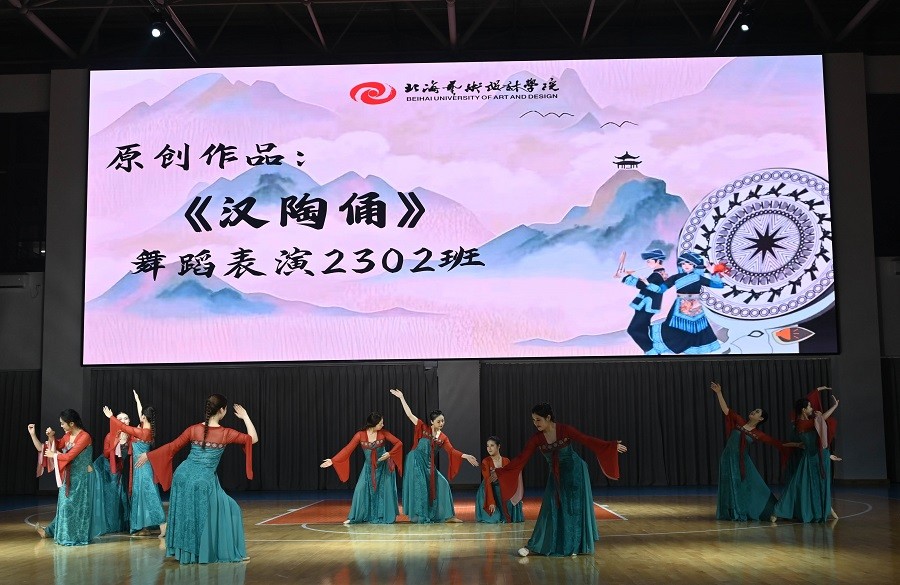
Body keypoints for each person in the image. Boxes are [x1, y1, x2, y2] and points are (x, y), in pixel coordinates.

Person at [495, 403, 627, 557]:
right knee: (548, 509)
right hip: (556, 476)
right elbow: (521, 458)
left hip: (575, 472)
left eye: (538, 420)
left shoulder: (565, 430)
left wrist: (610, 446)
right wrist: (501, 472)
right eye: (533, 420)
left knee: (573, 509)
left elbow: (587, 440)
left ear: (548, 418)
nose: (535, 423)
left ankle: (575, 546)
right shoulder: (537, 439)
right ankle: (533, 546)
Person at [145, 394, 258, 564]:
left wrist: (149, 456)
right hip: (203, 480)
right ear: (222, 410)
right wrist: (245, 417)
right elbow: (253, 439)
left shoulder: (193, 429)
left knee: (189, 515)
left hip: (182, 476)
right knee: (230, 510)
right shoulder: (226, 433)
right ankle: (213, 552)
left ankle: (189, 554)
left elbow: (172, 447)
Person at [710, 382, 798, 521]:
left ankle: (770, 510)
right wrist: (719, 393)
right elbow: (726, 410)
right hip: (727, 459)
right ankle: (730, 512)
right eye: (754, 410)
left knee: (750, 486)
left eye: (757, 412)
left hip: (742, 463)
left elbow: (778, 444)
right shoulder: (739, 421)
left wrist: (797, 444)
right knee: (728, 486)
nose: (753, 411)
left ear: (760, 419)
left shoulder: (758, 434)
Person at [389, 388, 478, 523]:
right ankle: (421, 516)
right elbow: (409, 414)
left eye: (443, 421)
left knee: (443, 484)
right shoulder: (422, 427)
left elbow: (451, 451)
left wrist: (465, 456)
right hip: (415, 461)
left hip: (428, 465)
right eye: (438, 421)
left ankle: (449, 515)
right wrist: (402, 398)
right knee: (421, 488)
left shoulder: (443, 437)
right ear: (432, 422)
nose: (441, 424)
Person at [27, 410, 100, 545]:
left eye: (62, 423)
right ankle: (53, 532)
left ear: (71, 423)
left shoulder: (85, 437)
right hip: (70, 476)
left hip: (83, 478)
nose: (61, 426)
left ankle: (75, 537)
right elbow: (56, 445)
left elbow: (69, 456)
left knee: (78, 508)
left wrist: (54, 455)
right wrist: (49, 437)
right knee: (64, 506)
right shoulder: (68, 435)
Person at [320, 412, 403, 524]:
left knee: (384, 492)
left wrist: (389, 453)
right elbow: (347, 449)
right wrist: (333, 460)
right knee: (360, 489)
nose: (383, 425)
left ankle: (385, 516)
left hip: (384, 467)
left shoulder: (384, 433)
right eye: (380, 423)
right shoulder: (360, 435)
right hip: (369, 468)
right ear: (373, 424)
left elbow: (399, 443)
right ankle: (355, 517)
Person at [772, 386, 840, 523]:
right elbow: (821, 419)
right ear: (803, 410)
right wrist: (834, 406)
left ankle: (825, 510)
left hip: (822, 457)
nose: (812, 408)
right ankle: (779, 511)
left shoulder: (809, 422)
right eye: (809, 406)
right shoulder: (801, 424)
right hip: (809, 459)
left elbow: (819, 439)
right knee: (797, 485)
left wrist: (829, 455)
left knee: (822, 486)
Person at [103, 389, 166, 535]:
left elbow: (124, 427)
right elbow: (139, 414)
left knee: (150, 495)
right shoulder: (146, 428)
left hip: (144, 468)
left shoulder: (143, 432)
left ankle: (163, 524)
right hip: (139, 468)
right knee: (140, 496)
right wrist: (138, 401)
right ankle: (143, 527)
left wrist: (111, 417)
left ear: (144, 417)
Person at [649, 251, 726, 354]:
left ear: (694, 265)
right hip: (680, 306)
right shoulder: (675, 277)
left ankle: (694, 349)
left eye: (689, 263)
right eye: (683, 263)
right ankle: (677, 346)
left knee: (698, 328)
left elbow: (719, 285)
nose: (686, 266)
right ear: (680, 265)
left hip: (696, 307)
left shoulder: (698, 277)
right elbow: (661, 289)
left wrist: (713, 272)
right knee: (675, 327)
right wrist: (650, 283)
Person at [619, 248, 669, 354]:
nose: (647, 263)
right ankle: (653, 351)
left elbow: (641, 285)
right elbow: (644, 284)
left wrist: (627, 276)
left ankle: (651, 351)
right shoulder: (659, 273)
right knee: (642, 329)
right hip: (646, 306)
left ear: (658, 261)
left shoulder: (657, 275)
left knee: (633, 330)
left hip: (646, 306)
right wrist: (630, 276)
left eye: (649, 261)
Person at [90, 410, 131, 535]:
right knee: (110, 496)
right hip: (105, 468)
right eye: (120, 419)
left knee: (120, 497)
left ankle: (119, 524)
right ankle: (108, 525)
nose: (123, 421)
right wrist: (115, 444)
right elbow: (106, 453)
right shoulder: (110, 435)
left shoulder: (131, 436)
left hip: (119, 469)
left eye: (126, 418)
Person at [474, 436, 523, 524]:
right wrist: (491, 501)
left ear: (498, 446)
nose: (489, 448)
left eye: (492, 445)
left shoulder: (506, 461)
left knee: (510, 516)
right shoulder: (486, 461)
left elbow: (510, 480)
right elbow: (488, 482)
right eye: (487, 446)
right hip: (488, 490)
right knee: (495, 519)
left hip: (502, 490)